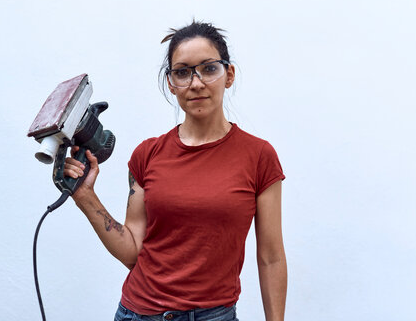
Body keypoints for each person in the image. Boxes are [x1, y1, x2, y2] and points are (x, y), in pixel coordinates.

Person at [64, 21, 287, 321]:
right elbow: (132, 252)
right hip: (139, 313)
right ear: (171, 83)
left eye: (209, 68)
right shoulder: (147, 155)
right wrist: (85, 197)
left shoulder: (259, 157)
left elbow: (271, 258)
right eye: (182, 72)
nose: (196, 83)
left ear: (228, 74)